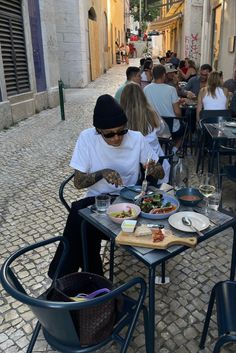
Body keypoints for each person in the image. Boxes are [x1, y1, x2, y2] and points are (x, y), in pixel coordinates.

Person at [48, 94, 165, 278]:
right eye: (109, 134)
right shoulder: (87, 138)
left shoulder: (136, 138)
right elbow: (78, 183)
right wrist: (101, 173)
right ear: (98, 130)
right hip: (98, 201)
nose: (117, 138)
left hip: (129, 201)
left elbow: (161, 174)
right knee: (81, 219)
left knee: (81, 222)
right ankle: (85, 279)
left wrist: (153, 168)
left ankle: (70, 276)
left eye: (121, 131)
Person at [120, 83, 170, 184]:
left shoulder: (120, 117)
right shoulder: (151, 113)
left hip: (132, 165)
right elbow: (162, 130)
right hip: (155, 163)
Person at [144, 64, 185, 150]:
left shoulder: (146, 89)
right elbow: (177, 112)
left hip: (153, 126)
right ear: (163, 75)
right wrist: (180, 117)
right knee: (184, 129)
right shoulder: (171, 89)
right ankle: (174, 151)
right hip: (170, 126)